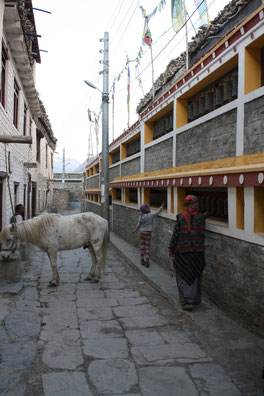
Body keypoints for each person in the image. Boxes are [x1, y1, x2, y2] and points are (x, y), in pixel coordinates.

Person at [169, 195, 207, 311]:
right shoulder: (201, 217)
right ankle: (193, 300)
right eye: (196, 203)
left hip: (183, 252)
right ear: (192, 205)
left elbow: (175, 235)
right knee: (194, 276)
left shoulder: (181, 217)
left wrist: (171, 248)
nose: (198, 205)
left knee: (183, 276)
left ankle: (186, 301)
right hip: (196, 252)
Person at [133, 202, 165, 267]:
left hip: (142, 233)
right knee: (147, 247)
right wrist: (162, 206)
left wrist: (135, 229)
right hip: (148, 233)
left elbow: (138, 224)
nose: (150, 209)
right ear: (146, 210)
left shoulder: (141, 216)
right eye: (148, 208)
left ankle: (142, 260)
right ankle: (147, 261)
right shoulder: (150, 215)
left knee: (142, 247)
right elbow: (157, 212)